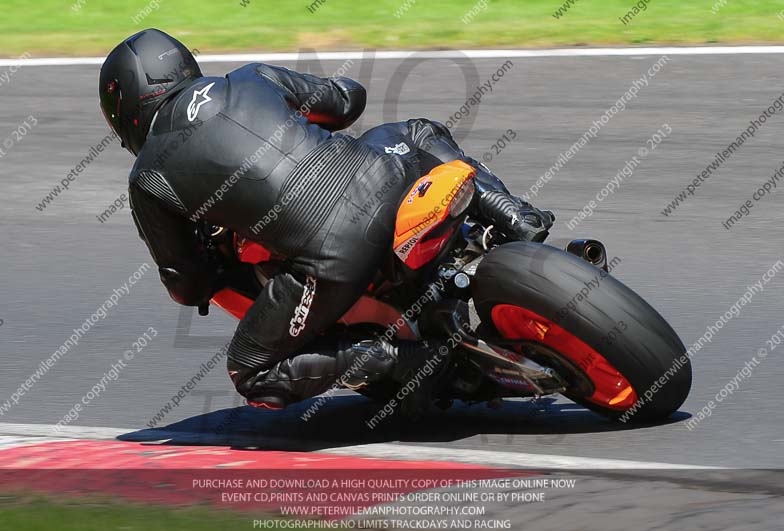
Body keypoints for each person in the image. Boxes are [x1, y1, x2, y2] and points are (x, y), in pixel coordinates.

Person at [99, 29, 554, 413]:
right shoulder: (251, 76)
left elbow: (187, 282)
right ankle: (514, 215)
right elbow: (346, 100)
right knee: (417, 132)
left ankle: (407, 361)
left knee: (251, 372)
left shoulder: (148, 177)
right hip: (388, 176)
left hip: (332, 259)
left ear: (125, 110)